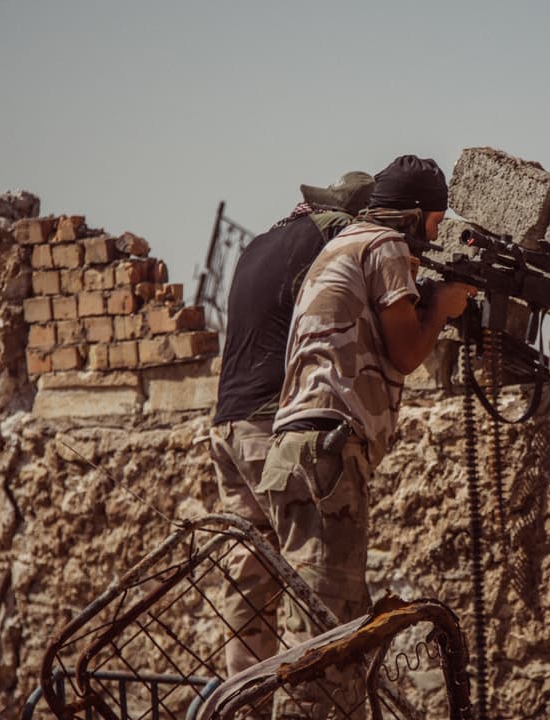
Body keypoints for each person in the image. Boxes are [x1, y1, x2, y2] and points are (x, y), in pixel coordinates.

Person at [256, 155, 474, 715]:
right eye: (434, 223)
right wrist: (445, 307)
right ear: (413, 215)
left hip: (302, 453)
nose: (435, 236)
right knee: (323, 644)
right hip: (325, 454)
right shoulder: (383, 245)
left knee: (339, 629)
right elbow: (405, 353)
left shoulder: (345, 243)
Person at [209, 170, 375, 679]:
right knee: (316, 576)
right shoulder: (334, 247)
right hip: (274, 427)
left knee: (250, 574)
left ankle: (245, 697)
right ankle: (310, 701)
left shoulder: (261, 244)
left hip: (227, 425)